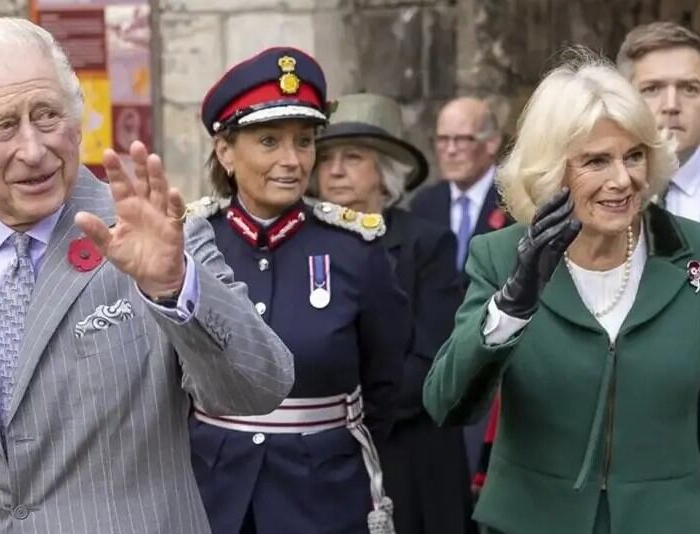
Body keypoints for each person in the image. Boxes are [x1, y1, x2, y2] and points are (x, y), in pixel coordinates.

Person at [0, 17, 294, 532]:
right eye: (4, 125)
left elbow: (260, 386)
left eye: (47, 115)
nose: (33, 149)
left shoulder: (160, 235)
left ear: (76, 121)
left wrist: (173, 287)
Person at [423, 52, 700, 534]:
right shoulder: (499, 255)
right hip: (532, 521)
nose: (622, 180)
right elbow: (446, 403)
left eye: (634, 156)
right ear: (553, 170)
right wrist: (513, 305)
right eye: (596, 161)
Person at [188, 48, 410, 534]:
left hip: (324, 499)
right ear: (226, 151)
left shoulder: (357, 250)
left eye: (305, 142)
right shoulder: (193, 243)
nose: (291, 160)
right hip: (213, 495)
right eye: (269, 141)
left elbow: (384, 383)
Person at [314, 92, 474, 534]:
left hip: (409, 455)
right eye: (326, 158)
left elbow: (431, 360)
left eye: (352, 157)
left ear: (385, 174)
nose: (335, 170)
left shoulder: (427, 244)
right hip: (325, 456)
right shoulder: (306, 244)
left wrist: (349, 416)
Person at [410, 95, 510, 480]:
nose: (450, 150)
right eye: (442, 139)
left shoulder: (514, 200)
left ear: (491, 143)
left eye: (462, 140)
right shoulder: (425, 203)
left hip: (491, 361)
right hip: (435, 363)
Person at [617, 21, 700, 226]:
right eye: (652, 89)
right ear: (623, 101)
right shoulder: (590, 189)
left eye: (689, 89)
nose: (671, 105)